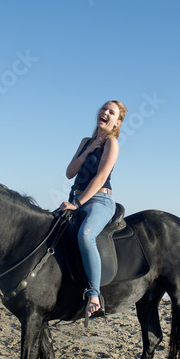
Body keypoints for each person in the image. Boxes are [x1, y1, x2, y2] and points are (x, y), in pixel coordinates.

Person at [60, 100, 127, 319]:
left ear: (117, 122)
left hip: (100, 201)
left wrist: (78, 205)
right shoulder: (85, 142)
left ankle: (94, 295)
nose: (105, 113)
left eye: (112, 112)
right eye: (104, 108)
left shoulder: (112, 143)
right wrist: (88, 149)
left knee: (86, 234)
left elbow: (100, 178)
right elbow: (70, 173)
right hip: (77, 197)